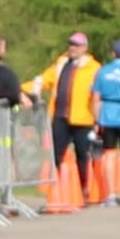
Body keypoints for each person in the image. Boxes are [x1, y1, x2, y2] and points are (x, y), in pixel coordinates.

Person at [35, 31, 100, 199]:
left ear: (84, 48)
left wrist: (99, 117)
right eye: (71, 44)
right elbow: (44, 80)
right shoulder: (61, 63)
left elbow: (99, 93)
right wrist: (24, 91)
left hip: (83, 118)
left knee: (82, 155)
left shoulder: (93, 68)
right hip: (60, 116)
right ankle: (53, 192)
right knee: (55, 153)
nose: (73, 48)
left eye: (77, 45)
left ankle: (84, 190)